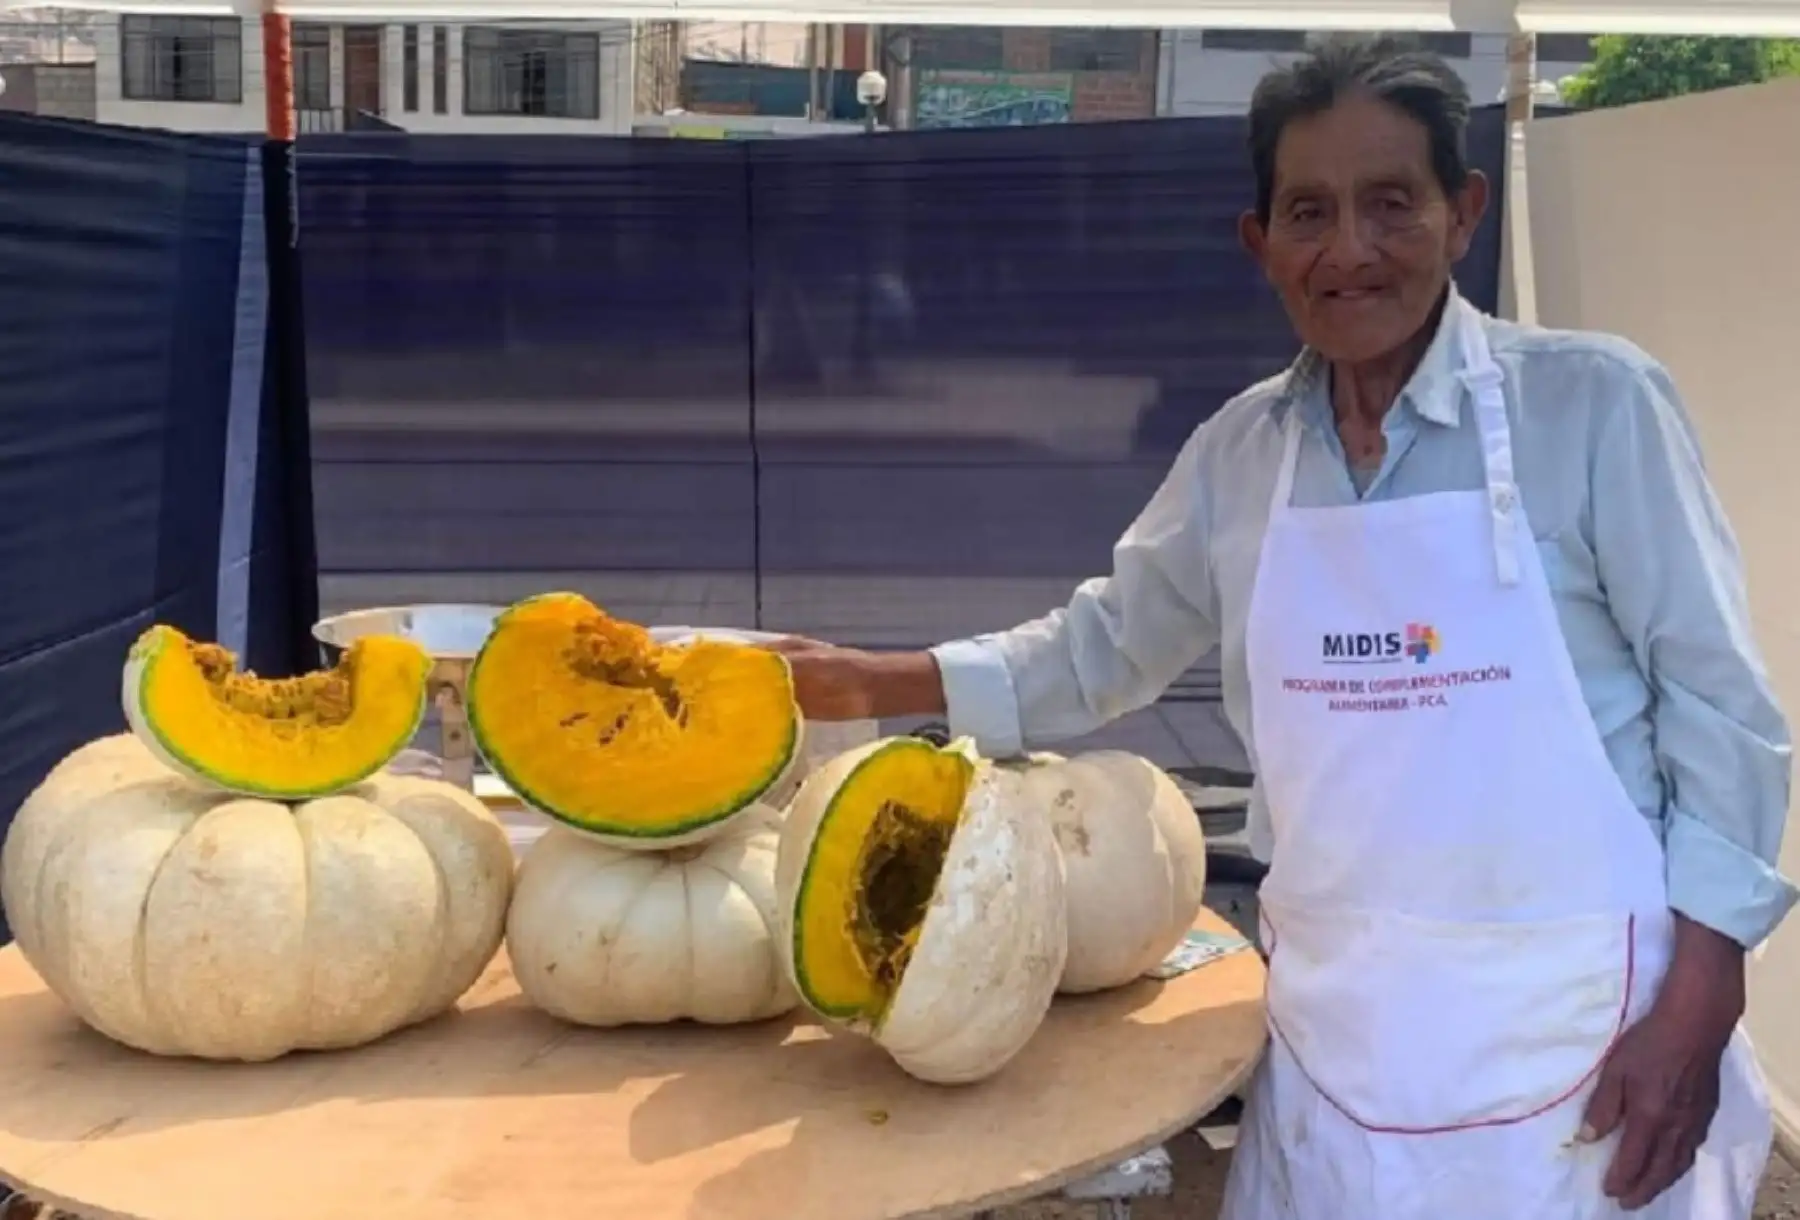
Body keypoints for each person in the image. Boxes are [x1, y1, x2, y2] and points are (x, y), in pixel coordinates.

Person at [768, 33, 1795, 1220]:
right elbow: (1104, 646)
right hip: (1336, 1049)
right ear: (1261, 244)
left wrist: (1707, 984)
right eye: (1309, 210)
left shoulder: (1594, 406)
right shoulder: (1239, 457)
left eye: (1391, 203)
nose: (1349, 248)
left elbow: (1721, 706)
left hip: (1581, 1053)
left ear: (1463, 215)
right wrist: (868, 679)